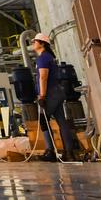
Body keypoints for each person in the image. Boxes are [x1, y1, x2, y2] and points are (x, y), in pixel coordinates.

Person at [31, 33, 74, 162]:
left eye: (35, 41)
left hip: (50, 94)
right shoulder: (49, 57)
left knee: (44, 121)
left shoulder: (43, 58)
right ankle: (69, 152)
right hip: (58, 92)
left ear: (42, 43)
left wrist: (42, 96)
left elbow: (43, 77)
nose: (33, 43)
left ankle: (50, 151)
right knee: (62, 121)